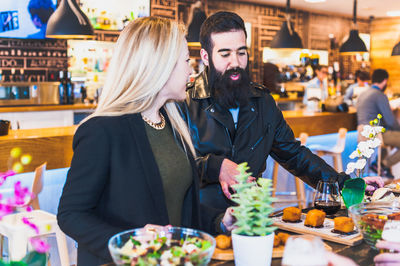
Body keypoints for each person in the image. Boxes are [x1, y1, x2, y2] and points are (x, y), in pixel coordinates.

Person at [57, 17, 233, 266]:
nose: (191, 70)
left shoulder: (173, 123)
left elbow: (175, 206)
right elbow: (71, 215)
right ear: (160, 65)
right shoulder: (102, 130)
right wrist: (129, 242)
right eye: (185, 61)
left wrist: (221, 221)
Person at [180, 11, 382, 211]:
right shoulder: (184, 101)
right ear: (205, 57)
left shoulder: (262, 101)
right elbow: (168, 165)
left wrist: (343, 183)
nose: (236, 62)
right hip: (199, 221)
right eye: (225, 54)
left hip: (252, 218)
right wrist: (215, 167)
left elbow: (293, 154)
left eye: (241, 52)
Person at [357, 69, 400, 178]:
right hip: (376, 134)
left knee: (387, 139)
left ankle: (379, 165)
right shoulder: (379, 95)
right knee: (392, 136)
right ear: (385, 81)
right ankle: (383, 165)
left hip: (361, 133)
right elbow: (390, 120)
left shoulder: (362, 94)